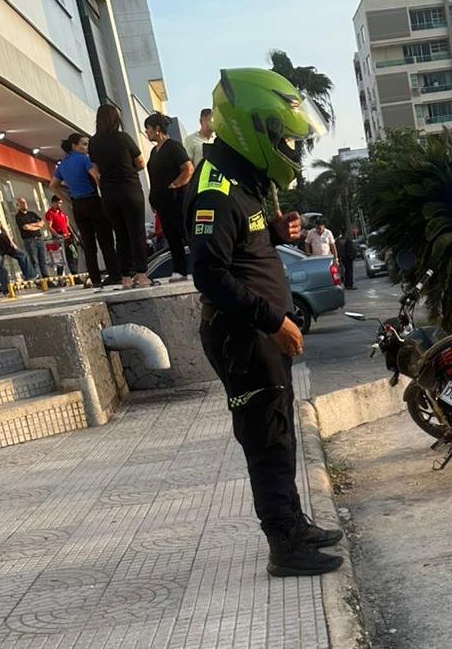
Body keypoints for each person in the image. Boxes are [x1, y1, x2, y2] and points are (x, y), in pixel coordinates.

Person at [185, 68, 338, 577]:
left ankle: (294, 524)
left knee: (279, 432)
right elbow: (210, 274)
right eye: (282, 139)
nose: (289, 149)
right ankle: (285, 547)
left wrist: (272, 232)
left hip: (259, 334)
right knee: (265, 440)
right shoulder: (215, 190)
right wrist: (273, 320)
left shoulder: (242, 180)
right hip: (242, 336)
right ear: (251, 129)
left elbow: (241, 248)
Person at [89, 103, 154, 288]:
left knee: (121, 234)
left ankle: (125, 277)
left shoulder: (93, 142)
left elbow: (96, 170)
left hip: (109, 193)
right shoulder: (123, 138)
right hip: (130, 189)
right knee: (137, 233)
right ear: (116, 119)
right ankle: (142, 275)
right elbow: (140, 162)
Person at [51, 133, 121, 288]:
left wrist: (69, 200)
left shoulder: (62, 165)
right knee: (105, 240)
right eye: (84, 144)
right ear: (74, 146)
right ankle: (115, 275)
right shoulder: (84, 159)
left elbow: (53, 186)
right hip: (92, 200)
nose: (87, 147)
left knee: (88, 245)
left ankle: (95, 279)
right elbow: (96, 176)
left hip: (77, 205)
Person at [144, 112, 194, 281]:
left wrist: (175, 185)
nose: (146, 132)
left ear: (157, 129)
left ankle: (202, 265)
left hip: (176, 200)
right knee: (171, 237)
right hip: (162, 202)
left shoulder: (173, 146)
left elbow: (188, 169)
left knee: (185, 233)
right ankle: (180, 270)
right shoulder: (154, 152)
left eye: (148, 128)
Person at [0, 198, 34, 293]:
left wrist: (11, 241)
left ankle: (29, 276)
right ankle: (6, 287)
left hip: (2, 238)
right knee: (0, 265)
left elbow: (3, 228)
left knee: (22, 255)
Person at [15, 198, 49, 278]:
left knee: (43, 260)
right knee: (34, 261)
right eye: (22, 203)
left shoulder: (32, 214)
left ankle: (46, 278)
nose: (24, 204)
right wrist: (36, 225)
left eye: (25, 202)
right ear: (18, 205)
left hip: (39, 239)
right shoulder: (18, 216)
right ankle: (38, 279)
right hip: (30, 241)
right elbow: (26, 227)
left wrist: (32, 225)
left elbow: (42, 223)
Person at [44, 196, 77, 275]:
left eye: (61, 203)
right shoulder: (50, 213)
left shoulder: (62, 213)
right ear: (53, 203)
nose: (60, 205)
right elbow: (49, 227)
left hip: (67, 237)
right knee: (59, 258)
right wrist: (57, 235)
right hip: (58, 238)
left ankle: (74, 274)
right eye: (58, 203)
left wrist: (73, 235)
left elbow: (67, 225)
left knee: (71, 256)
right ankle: (60, 276)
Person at [337, 225, 359, 290]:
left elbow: (337, 249)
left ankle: (346, 284)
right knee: (349, 271)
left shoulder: (338, 240)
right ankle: (349, 285)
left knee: (345, 271)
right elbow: (352, 248)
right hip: (348, 258)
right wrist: (353, 256)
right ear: (345, 232)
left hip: (342, 257)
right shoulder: (348, 239)